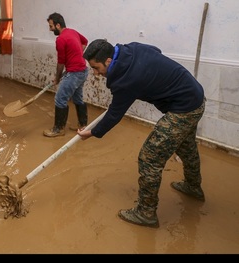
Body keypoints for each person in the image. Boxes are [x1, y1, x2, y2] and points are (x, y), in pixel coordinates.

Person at [79, 39, 206, 228]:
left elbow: (114, 114)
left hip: (184, 108)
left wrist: (92, 132)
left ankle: (146, 213)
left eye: (96, 68)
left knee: (149, 158)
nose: (96, 73)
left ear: (107, 60)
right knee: (186, 147)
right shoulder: (131, 48)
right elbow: (157, 49)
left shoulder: (126, 80)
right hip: (195, 96)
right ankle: (193, 187)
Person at [44, 12, 89, 137]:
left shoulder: (61, 39)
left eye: (51, 26)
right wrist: (77, 55)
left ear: (58, 25)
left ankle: (58, 129)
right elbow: (85, 41)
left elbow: (61, 63)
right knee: (78, 98)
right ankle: (83, 125)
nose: (50, 29)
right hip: (83, 70)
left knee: (60, 99)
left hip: (75, 73)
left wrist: (57, 78)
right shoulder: (72, 32)